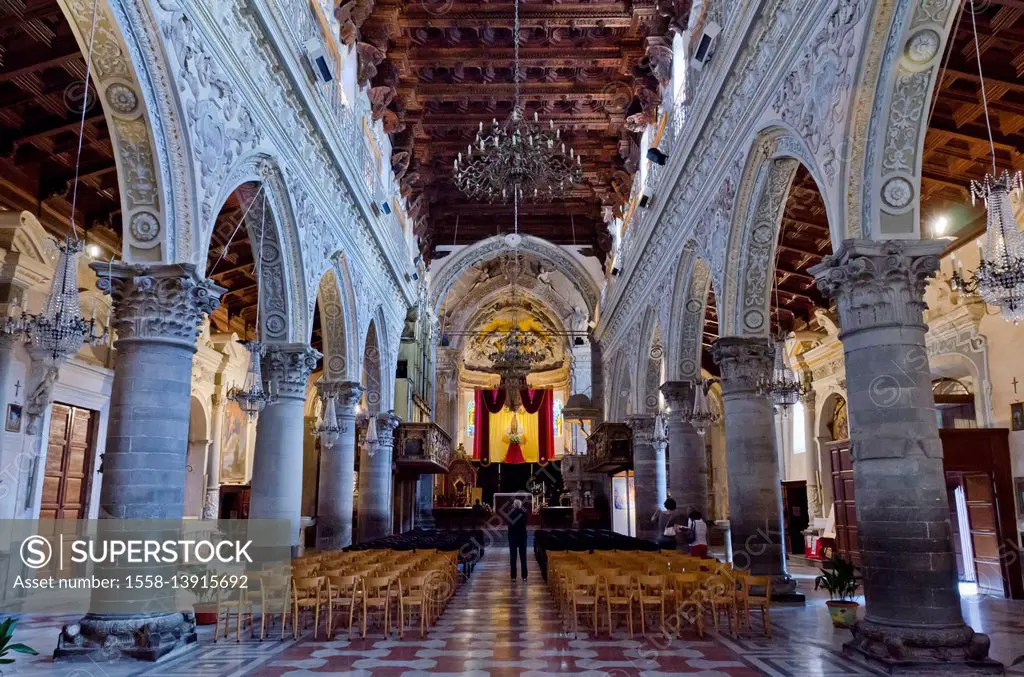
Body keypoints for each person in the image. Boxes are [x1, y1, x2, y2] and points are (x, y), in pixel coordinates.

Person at [505, 498, 529, 582]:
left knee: (513, 558)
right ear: (520, 505)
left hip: (513, 537)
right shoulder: (524, 513)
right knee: (523, 558)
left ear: (513, 505)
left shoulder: (510, 513)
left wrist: (512, 508)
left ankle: (513, 577)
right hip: (522, 537)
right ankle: (524, 576)